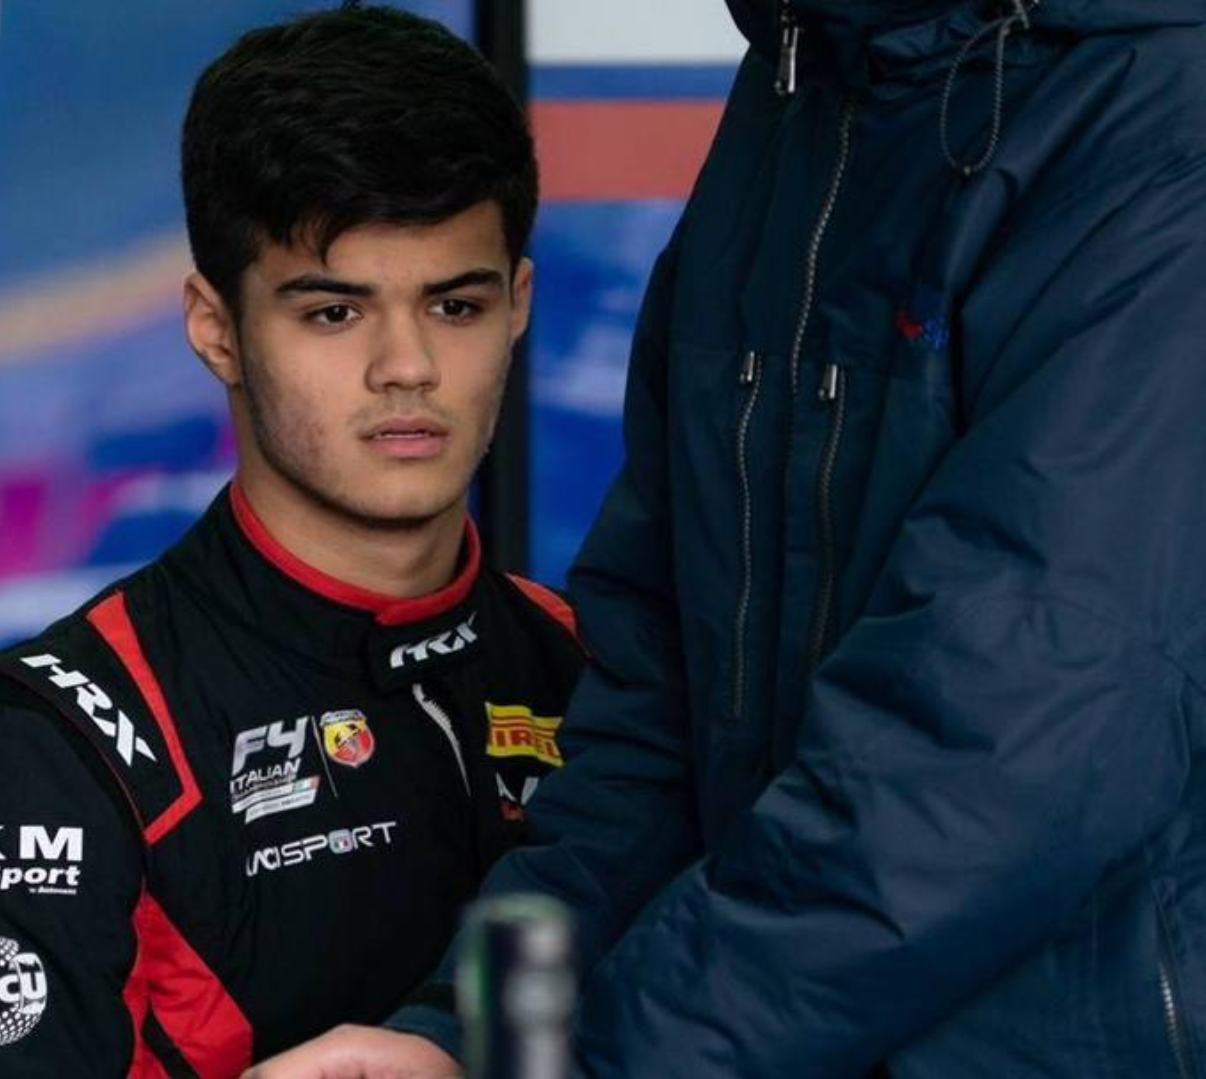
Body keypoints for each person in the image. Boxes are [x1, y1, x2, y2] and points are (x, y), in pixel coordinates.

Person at [250, 0, 1206, 1075]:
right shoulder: (799, 92)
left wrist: (595, 1064)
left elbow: (997, 756)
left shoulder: (1159, 124)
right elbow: (650, 714)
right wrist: (474, 1036)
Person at [0, 6, 586, 1076]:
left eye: (454, 303)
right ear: (218, 328)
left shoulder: (598, 671)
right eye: (334, 313)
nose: (408, 366)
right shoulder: (47, 739)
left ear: (519, 304)